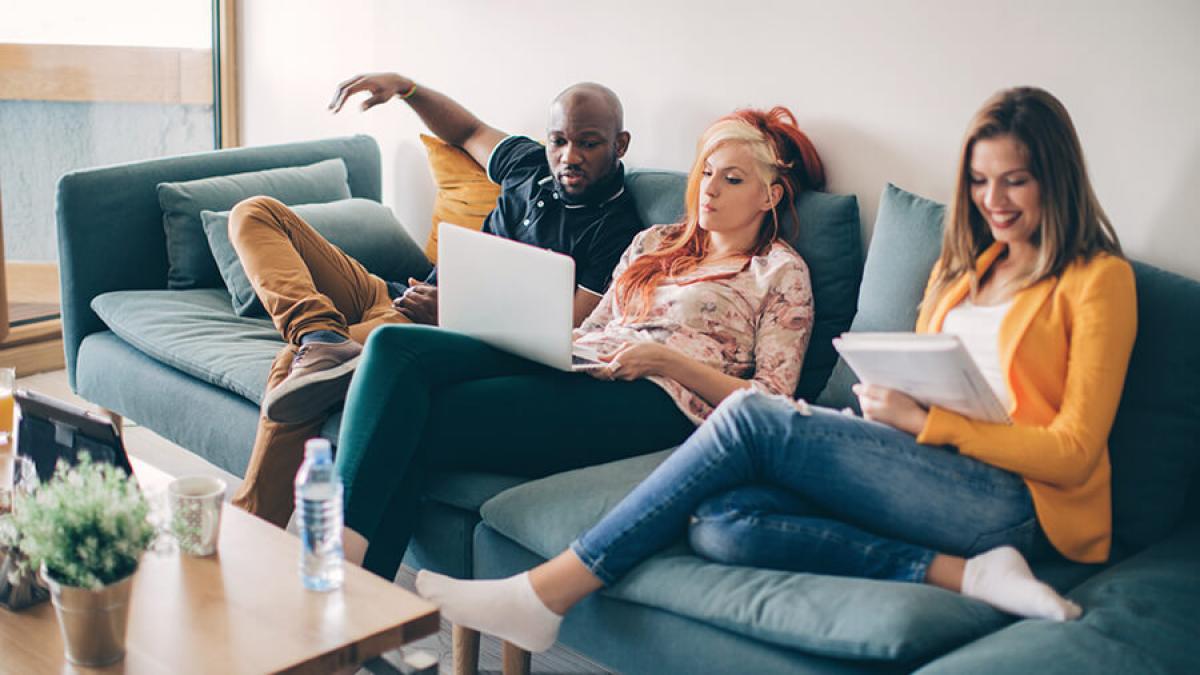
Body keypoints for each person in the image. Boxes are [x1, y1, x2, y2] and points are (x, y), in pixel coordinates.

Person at [414, 86, 1138, 653]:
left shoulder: (1095, 278)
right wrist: (891, 408)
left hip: (1020, 500)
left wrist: (929, 421)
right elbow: (931, 383)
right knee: (723, 524)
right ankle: (972, 573)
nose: (994, 202)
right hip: (926, 471)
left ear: (1056, 178)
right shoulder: (964, 272)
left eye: (1015, 181)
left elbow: (1074, 452)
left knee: (754, 413)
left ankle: (545, 593)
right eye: (980, 182)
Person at [334, 106, 826, 579]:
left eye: (732, 179)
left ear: (771, 196)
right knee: (396, 348)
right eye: (708, 171)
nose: (709, 189)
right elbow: (596, 327)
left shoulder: (779, 272)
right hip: (582, 364)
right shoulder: (654, 242)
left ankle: (343, 590)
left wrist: (667, 362)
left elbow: (775, 399)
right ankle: (346, 571)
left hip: (655, 402)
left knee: (412, 417)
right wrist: (534, 337)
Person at [229, 73, 646, 526]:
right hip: (395, 294)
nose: (569, 157)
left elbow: (563, 332)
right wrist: (407, 89)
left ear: (619, 144)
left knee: (292, 365)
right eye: (559, 141)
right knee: (255, 213)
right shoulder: (529, 164)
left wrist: (451, 315)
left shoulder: (618, 232)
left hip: (430, 332)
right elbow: (466, 131)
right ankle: (319, 333)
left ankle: (252, 525)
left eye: (588, 144)